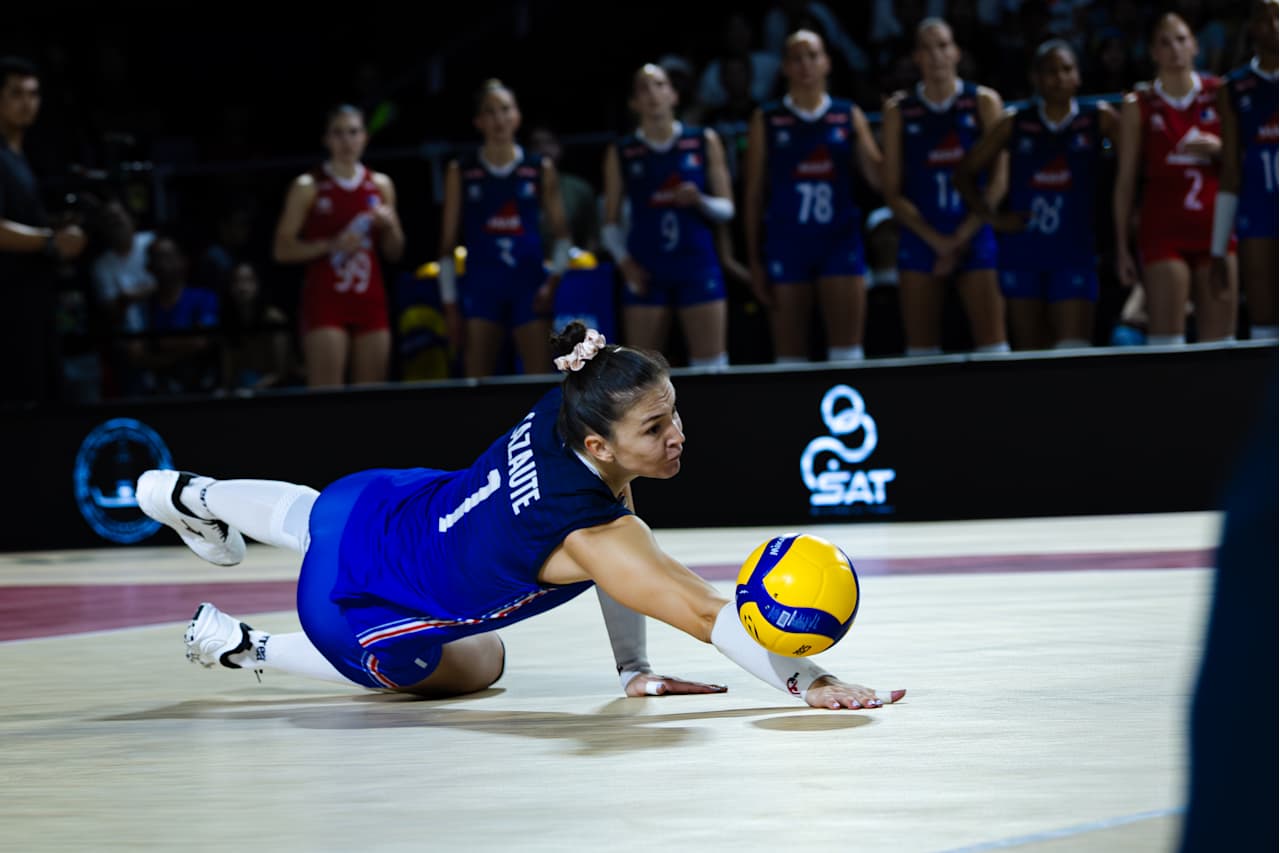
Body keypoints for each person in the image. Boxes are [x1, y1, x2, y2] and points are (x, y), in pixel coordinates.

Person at [134, 321, 906, 710]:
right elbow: (707, 610)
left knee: (311, 515)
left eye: (674, 411)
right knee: (487, 660)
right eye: (655, 428)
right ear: (603, 441)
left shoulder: (566, 406)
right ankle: (243, 646)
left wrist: (633, 667)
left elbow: (622, 529)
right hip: (357, 615)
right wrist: (813, 680)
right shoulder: (593, 533)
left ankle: (188, 495)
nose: (676, 434)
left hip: (384, 504)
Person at [953, 40, 1118, 351]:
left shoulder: (1099, 118)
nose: (1058, 78)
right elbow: (963, 173)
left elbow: (1135, 166)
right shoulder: (1014, 122)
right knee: (1031, 354)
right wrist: (993, 218)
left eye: (1066, 69)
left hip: (1074, 251)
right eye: (1049, 71)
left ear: (1078, 76)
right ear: (1035, 78)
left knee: (1073, 352)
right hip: (1024, 250)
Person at [743, 30, 884, 365]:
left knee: (848, 353)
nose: (805, 64)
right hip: (787, 242)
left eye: (812, 55)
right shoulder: (768, 118)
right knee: (790, 357)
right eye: (796, 57)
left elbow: (879, 179)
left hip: (839, 239)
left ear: (827, 63)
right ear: (785, 67)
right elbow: (753, 194)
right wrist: (754, 260)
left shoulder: (848, 114)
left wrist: (892, 126)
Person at [881, 18, 1010, 357]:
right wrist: (938, 242)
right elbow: (891, 191)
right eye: (927, 48)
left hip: (974, 229)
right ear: (916, 58)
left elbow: (999, 182)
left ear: (956, 53)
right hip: (922, 234)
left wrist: (959, 239)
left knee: (994, 347)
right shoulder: (899, 111)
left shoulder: (983, 102)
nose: (936, 55)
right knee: (921, 352)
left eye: (942, 46)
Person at [1112, 13, 1237, 346]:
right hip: (1163, 231)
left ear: (1195, 45)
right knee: (1167, 345)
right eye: (1165, 43)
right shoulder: (1138, 104)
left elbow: (1242, 163)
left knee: (1220, 346)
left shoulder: (1220, 92)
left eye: (1181, 39)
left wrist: (1220, 150)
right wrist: (1122, 248)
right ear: (1153, 52)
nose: (1175, 49)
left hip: (1217, 229)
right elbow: (1125, 181)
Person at [601, 63, 735, 369]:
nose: (652, 93)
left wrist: (699, 199)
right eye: (643, 88)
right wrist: (625, 264)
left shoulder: (703, 140)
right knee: (641, 375)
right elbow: (609, 224)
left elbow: (727, 210)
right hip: (647, 269)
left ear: (674, 95)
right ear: (634, 103)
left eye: (660, 85)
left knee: (712, 365)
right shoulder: (622, 151)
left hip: (696, 264)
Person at [437, 80, 573, 378]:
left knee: (540, 380)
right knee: (478, 381)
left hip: (529, 286)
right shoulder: (461, 170)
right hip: (482, 287)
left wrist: (552, 282)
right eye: (490, 112)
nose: (499, 118)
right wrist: (450, 307)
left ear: (517, 116)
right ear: (478, 121)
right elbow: (446, 245)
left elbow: (563, 236)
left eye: (505, 109)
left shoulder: (540, 168)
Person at [272, 105, 405, 387]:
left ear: (365, 137)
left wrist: (390, 226)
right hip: (325, 300)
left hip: (370, 298)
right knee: (326, 396)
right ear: (326, 139)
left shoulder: (380, 185)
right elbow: (282, 249)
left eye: (353, 132)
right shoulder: (308, 185)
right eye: (338, 133)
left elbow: (394, 252)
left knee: (371, 396)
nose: (347, 141)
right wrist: (331, 245)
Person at [0, 55, 87, 405]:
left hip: (34, 309)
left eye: (33, 94)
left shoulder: (21, 158)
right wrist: (51, 241)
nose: (27, 103)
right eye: (16, 93)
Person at [1211, 0, 1278, 341]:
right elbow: (1231, 170)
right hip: (1258, 209)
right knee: (1265, 325)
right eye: (1266, 18)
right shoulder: (1234, 88)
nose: (1276, 25)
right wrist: (1218, 248)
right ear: (1252, 28)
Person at [220, 260, 297, 392]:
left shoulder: (274, 318)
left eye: (249, 280)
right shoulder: (228, 322)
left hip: (277, 389)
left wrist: (253, 389)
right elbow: (228, 374)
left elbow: (282, 372)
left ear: (259, 284)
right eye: (237, 281)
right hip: (243, 386)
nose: (242, 287)